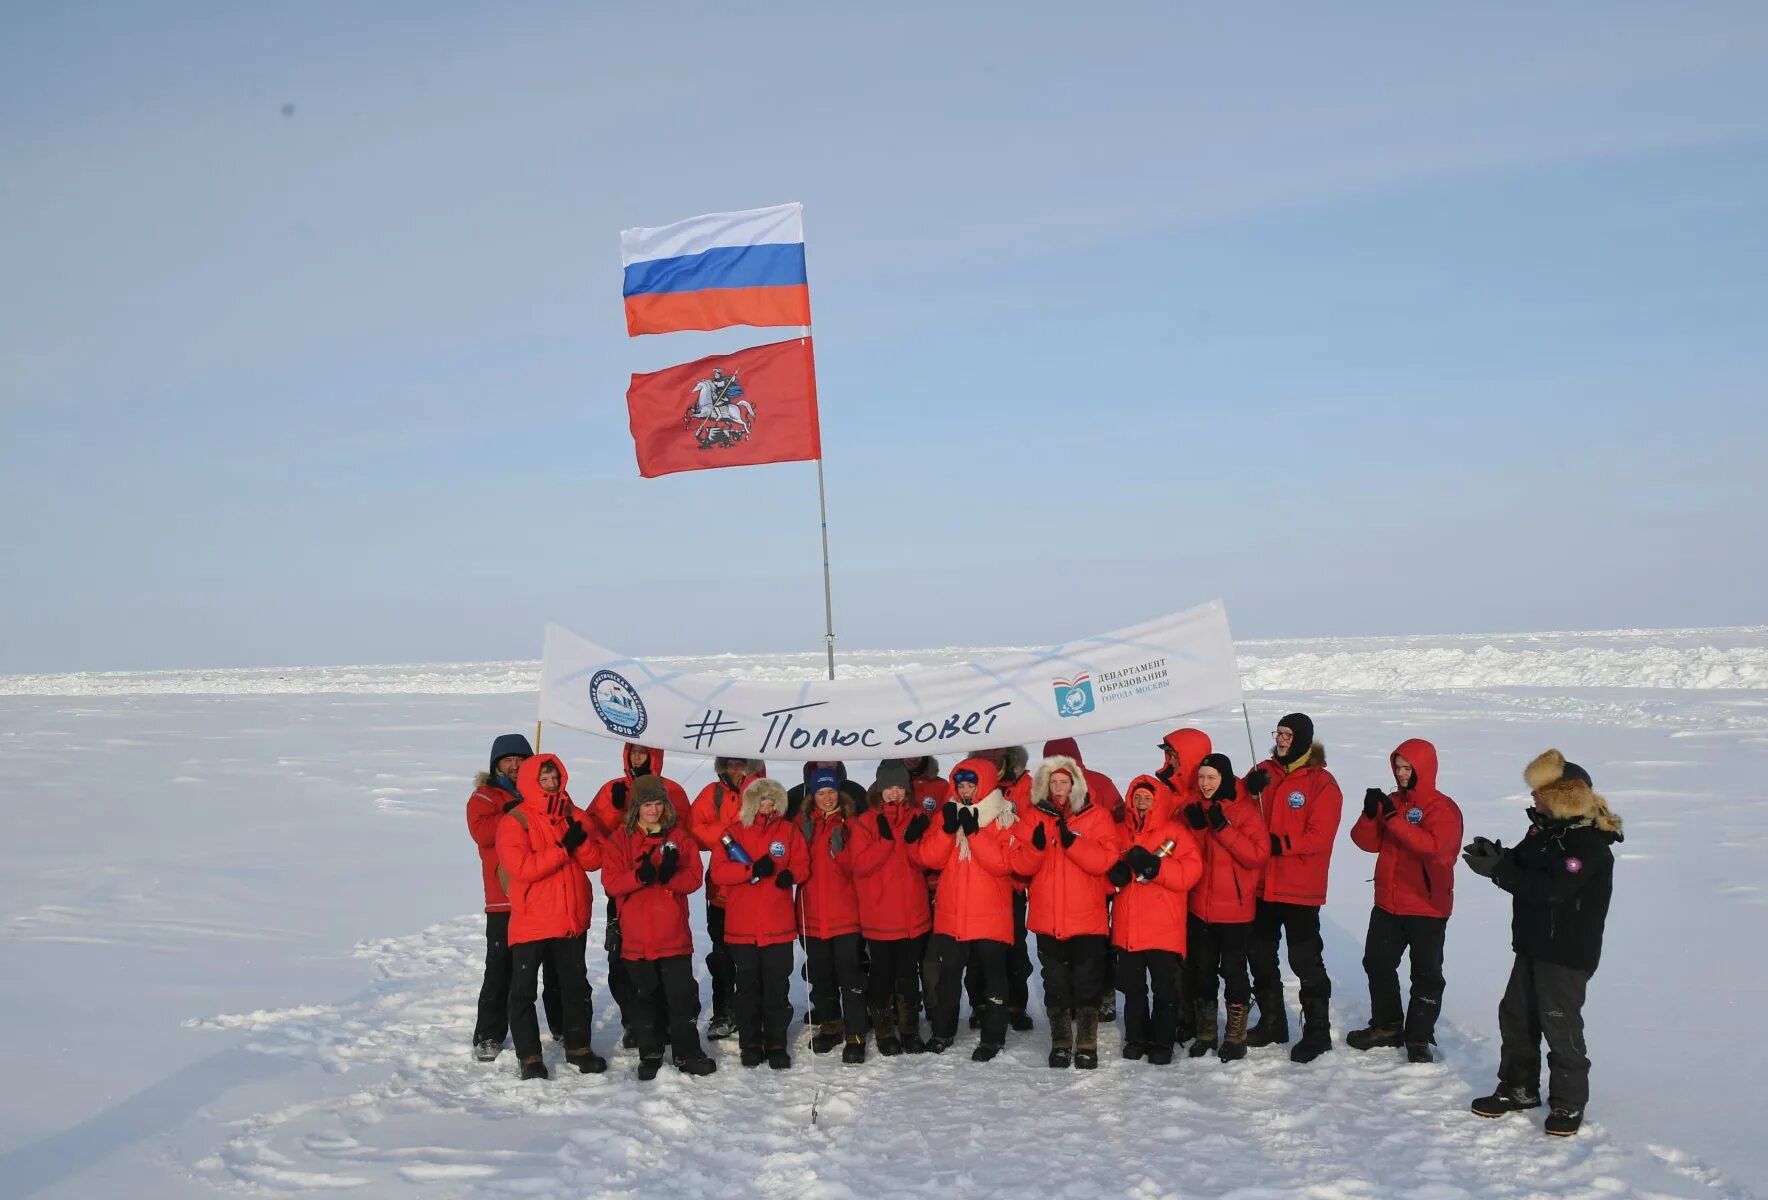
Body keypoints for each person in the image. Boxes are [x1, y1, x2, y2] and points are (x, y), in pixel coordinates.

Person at [1462, 750, 1623, 1137]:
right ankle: (1519, 1088)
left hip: (1566, 953)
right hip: (1532, 945)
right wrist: (1498, 857)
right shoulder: (1545, 831)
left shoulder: (1590, 847)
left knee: (1559, 1023)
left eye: (1540, 792)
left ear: (1562, 796)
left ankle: (1569, 1102)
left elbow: (1551, 891)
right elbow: (1522, 863)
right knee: (1516, 1015)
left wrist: (1500, 870)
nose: (1533, 798)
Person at [1345, 738, 1463, 1063]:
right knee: (1377, 963)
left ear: (1423, 769)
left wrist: (1393, 819)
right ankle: (1387, 1025)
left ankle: (1419, 1037)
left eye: (1407, 767)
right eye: (1397, 767)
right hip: (1388, 903)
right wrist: (1371, 815)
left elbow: (1434, 848)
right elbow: (1364, 842)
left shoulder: (1443, 808)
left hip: (1427, 906)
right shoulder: (1394, 801)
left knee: (1425, 974)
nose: (1401, 773)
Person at [493, 753, 607, 1079]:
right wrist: (562, 848)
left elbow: (595, 860)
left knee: (575, 987)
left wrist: (578, 841)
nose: (552, 783)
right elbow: (522, 868)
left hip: (570, 916)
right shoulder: (515, 821)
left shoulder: (574, 813)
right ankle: (529, 1057)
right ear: (532, 782)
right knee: (524, 991)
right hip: (533, 918)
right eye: (545, 778)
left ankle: (579, 1048)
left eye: (555, 777)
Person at [1242, 712, 1344, 1062]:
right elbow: (1239, 810)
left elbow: (1320, 835)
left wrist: (1279, 844)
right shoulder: (1263, 771)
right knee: (1259, 952)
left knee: (1304, 959)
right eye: (1279, 732)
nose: (1281, 739)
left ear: (1302, 739)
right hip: (1263, 884)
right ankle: (1272, 1022)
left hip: (1300, 888)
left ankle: (1317, 1032)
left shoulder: (1321, 783)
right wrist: (1246, 791)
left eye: (1288, 734)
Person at [599, 776, 716, 1079]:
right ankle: (650, 1053)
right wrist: (640, 876)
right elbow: (611, 882)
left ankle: (687, 1052)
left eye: (658, 803)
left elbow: (693, 878)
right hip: (637, 937)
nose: (653, 810)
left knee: (681, 997)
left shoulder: (679, 837)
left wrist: (667, 876)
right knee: (644, 998)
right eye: (647, 804)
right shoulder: (619, 840)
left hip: (673, 935)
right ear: (636, 808)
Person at [1009, 756, 1120, 1069]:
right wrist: (1037, 848)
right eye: (1053, 782)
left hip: (1087, 916)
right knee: (1055, 982)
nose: (1058, 788)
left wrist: (1072, 843)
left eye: (1064, 782)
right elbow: (1018, 864)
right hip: (1048, 916)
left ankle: (1086, 1042)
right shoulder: (1033, 818)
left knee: (1087, 981)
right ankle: (1060, 1041)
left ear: (1076, 784)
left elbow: (1105, 861)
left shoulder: (1096, 817)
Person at [912, 757, 1020, 1061]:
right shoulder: (949, 812)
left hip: (990, 912)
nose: (966, 790)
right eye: (961, 784)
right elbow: (928, 858)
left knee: (993, 977)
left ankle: (993, 1037)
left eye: (972, 784)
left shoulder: (1004, 815)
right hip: (953, 911)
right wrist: (948, 831)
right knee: (948, 978)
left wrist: (975, 833)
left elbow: (1002, 863)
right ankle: (943, 1032)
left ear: (984, 784)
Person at [465, 733, 564, 1060]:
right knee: (501, 966)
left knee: (555, 964)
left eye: (520, 759)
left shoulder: (543, 792)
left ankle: (563, 1026)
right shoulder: (483, 797)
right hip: (504, 897)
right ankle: (489, 1033)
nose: (514, 765)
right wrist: (516, 809)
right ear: (496, 765)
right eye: (507, 760)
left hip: (543, 894)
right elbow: (482, 832)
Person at [586, 744, 691, 1049]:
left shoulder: (672, 790)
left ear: (654, 755)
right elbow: (596, 831)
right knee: (623, 959)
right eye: (633, 752)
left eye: (644, 752)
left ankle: (669, 1021)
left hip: (664, 889)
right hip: (626, 887)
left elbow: (682, 830)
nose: (638, 757)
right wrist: (614, 810)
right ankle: (635, 1021)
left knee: (670, 962)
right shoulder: (612, 789)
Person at [707, 777, 809, 1069]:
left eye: (773, 800)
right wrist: (749, 869)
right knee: (748, 988)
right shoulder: (734, 833)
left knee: (777, 987)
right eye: (763, 800)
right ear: (752, 803)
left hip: (778, 926)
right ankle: (750, 1043)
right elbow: (719, 873)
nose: (769, 806)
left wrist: (792, 875)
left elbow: (802, 863)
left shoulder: (788, 831)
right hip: (742, 927)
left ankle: (776, 1042)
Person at [1108, 775, 1204, 1064]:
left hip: (1164, 927)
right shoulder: (1119, 832)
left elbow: (1190, 873)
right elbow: (1104, 865)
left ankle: (1162, 1042)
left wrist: (1155, 866)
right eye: (1137, 797)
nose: (1141, 802)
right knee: (1133, 989)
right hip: (1128, 928)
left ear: (1158, 802)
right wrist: (1114, 877)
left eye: (1147, 798)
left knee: (1165, 991)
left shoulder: (1175, 833)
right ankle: (1136, 1038)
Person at [1182, 753, 1270, 1061]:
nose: (1205, 784)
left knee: (1233, 972)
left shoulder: (1245, 811)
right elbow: (1189, 854)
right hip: (1199, 907)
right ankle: (1206, 1032)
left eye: (1212, 778)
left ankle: (1236, 1036)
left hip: (1234, 909)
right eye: (1202, 777)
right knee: (1202, 972)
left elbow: (1257, 855)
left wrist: (1222, 827)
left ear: (1225, 779)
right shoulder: (1195, 808)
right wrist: (1195, 829)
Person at [848, 761, 934, 1054]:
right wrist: (885, 842)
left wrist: (913, 842)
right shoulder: (865, 822)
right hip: (880, 913)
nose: (895, 794)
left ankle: (909, 1029)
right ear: (879, 789)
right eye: (889, 788)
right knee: (882, 974)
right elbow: (859, 866)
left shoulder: (919, 818)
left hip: (912, 912)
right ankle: (885, 1031)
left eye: (900, 788)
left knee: (908, 974)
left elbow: (927, 861)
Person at [688, 756, 765, 1042]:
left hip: (756, 888)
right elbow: (694, 827)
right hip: (722, 890)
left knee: (755, 954)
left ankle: (755, 1009)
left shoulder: (764, 789)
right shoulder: (713, 793)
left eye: (740, 764)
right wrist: (727, 837)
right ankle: (724, 1011)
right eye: (730, 764)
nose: (735, 770)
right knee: (722, 954)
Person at [784, 759, 868, 820]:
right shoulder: (794, 796)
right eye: (820, 793)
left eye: (833, 757)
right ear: (814, 761)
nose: (829, 762)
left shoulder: (856, 791)